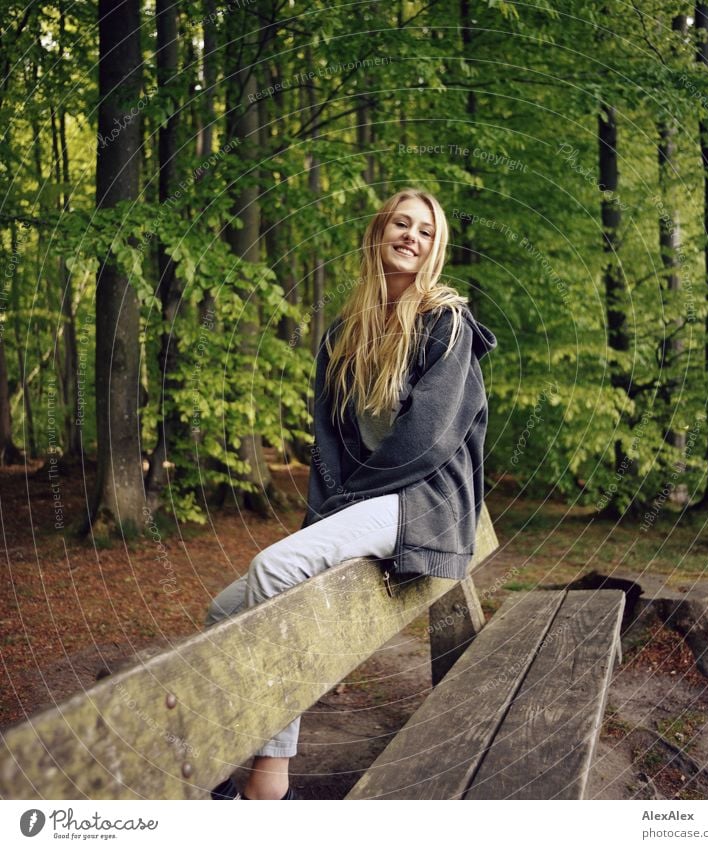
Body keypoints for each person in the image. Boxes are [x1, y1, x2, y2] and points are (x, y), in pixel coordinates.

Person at [206, 188, 497, 800]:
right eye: (401, 223)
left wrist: (350, 504)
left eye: (424, 230)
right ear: (378, 232)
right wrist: (324, 516)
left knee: (273, 569)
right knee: (224, 611)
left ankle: (270, 779)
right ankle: (216, 774)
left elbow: (428, 440)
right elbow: (328, 446)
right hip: (368, 501)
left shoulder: (445, 322)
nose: (410, 236)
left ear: (435, 247)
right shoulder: (345, 333)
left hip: (426, 501)